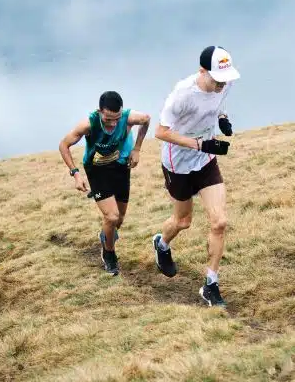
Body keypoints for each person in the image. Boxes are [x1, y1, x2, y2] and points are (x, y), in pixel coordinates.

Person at [152, 45, 240, 308]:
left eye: (226, 78)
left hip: (206, 160)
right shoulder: (182, 95)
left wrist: (222, 118)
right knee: (183, 221)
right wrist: (197, 144)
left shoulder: (225, 83)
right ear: (203, 71)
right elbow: (161, 132)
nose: (223, 84)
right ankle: (162, 244)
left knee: (220, 222)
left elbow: (218, 103)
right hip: (178, 163)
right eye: (217, 79)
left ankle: (210, 285)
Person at [58, 90, 150, 276]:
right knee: (112, 217)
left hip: (121, 167)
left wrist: (137, 148)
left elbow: (147, 119)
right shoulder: (88, 124)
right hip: (97, 169)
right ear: (100, 111)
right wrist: (75, 174)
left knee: (120, 219)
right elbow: (64, 145)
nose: (113, 123)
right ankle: (109, 253)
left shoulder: (129, 117)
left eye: (116, 118)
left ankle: (105, 236)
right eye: (108, 119)